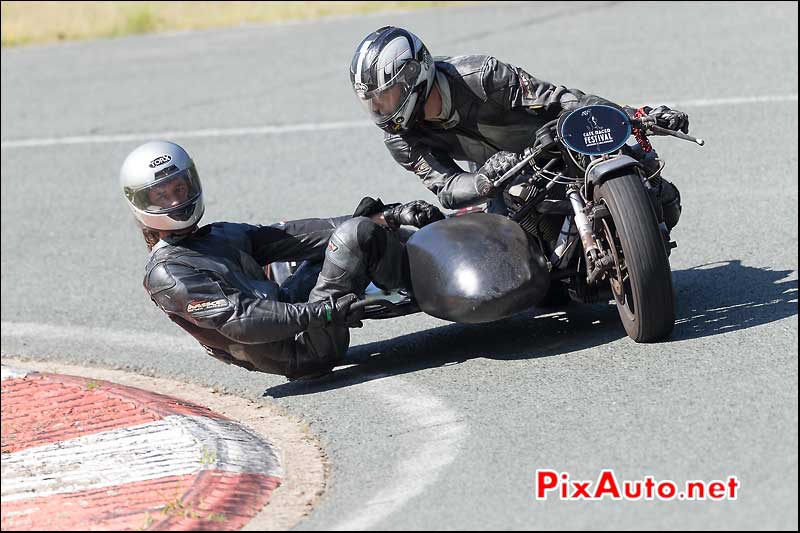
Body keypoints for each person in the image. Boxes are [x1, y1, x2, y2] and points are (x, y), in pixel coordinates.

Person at [120, 140, 442, 380]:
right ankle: (435, 286)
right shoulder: (168, 274)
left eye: (179, 187)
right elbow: (241, 320)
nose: (176, 199)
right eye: (162, 194)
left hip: (297, 316)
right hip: (298, 351)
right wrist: (324, 312)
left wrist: (388, 215)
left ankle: (432, 257)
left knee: (349, 232)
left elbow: (295, 235)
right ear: (141, 202)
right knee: (355, 234)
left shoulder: (217, 234)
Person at [349, 26, 686, 231]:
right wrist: (484, 179)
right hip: (501, 179)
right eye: (375, 103)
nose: (382, 109)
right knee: (505, 256)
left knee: (661, 194)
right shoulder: (400, 138)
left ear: (414, 76)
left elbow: (557, 99)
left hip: (554, 146)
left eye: (387, 97)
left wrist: (633, 115)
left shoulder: (481, 76)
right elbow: (447, 187)